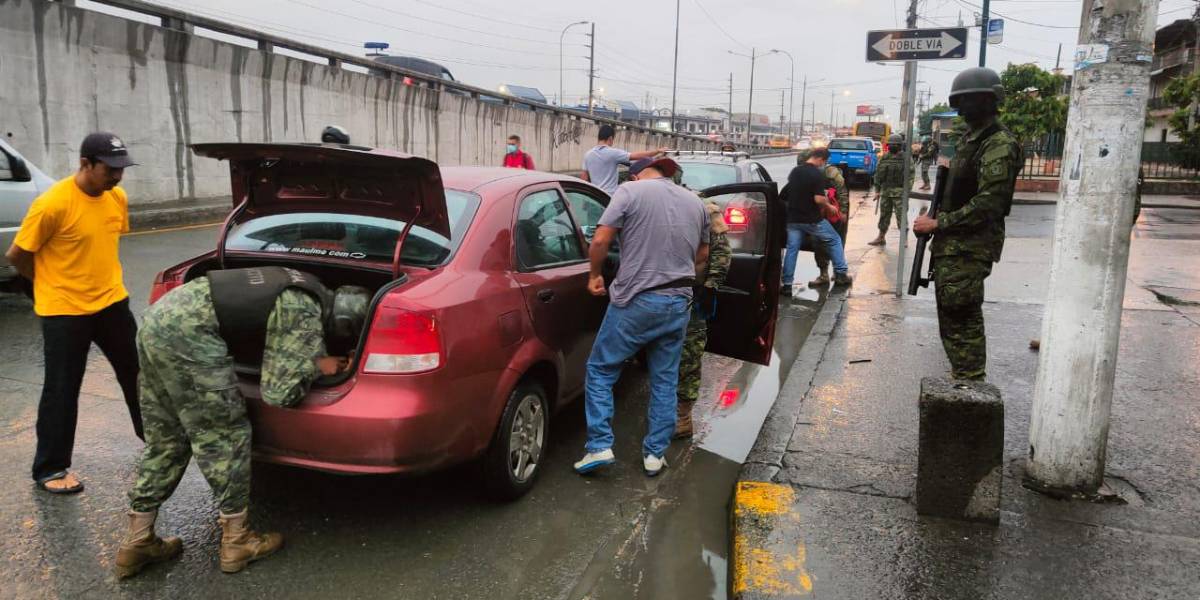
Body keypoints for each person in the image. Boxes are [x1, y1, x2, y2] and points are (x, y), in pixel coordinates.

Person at [113, 267, 368, 578]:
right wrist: (316, 366)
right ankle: (237, 542)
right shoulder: (303, 310)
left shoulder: (301, 283)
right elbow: (280, 392)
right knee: (225, 434)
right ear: (342, 325)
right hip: (190, 336)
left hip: (157, 322)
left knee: (168, 439)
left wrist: (313, 360)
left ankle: (137, 541)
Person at [5, 132, 143, 495]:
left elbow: (103, 245)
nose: (117, 176)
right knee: (62, 389)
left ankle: (158, 443)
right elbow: (17, 256)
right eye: (110, 169)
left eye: (121, 169)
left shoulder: (117, 197)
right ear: (86, 163)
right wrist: (47, 284)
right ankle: (50, 468)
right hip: (65, 311)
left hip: (112, 303)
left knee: (140, 376)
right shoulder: (53, 204)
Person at [575, 157, 709, 477]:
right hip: (678, 302)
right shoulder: (696, 202)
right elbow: (703, 256)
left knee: (601, 369)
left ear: (636, 175)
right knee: (664, 379)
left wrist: (595, 274)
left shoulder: (629, 192)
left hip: (635, 300)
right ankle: (654, 455)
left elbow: (601, 240)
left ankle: (599, 445)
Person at [913, 67, 1022, 381]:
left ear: (989, 101)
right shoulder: (971, 140)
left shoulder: (997, 143)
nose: (962, 109)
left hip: (969, 246)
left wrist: (938, 224)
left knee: (962, 317)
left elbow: (991, 203)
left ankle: (970, 382)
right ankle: (963, 376)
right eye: (959, 101)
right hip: (954, 245)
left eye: (969, 101)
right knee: (951, 316)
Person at [674, 199, 732, 439]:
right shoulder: (650, 205)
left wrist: (711, 287)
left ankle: (683, 416)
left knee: (688, 355)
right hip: (659, 292)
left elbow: (721, 252)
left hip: (693, 295)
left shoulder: (704, 209)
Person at [781, 148, 852, 294]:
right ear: (820, 159)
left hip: (793, 220)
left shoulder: (795, 172)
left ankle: (787, 285)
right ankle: (841, 273)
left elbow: (783, 195)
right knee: (834, 240)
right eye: (823, 161)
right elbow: (818, 199)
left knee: (792, 250)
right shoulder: (817, 174)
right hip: (812, 220)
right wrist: (829, 206)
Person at [581, 124, 667, 195]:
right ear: (610, 138)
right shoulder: (613, 153)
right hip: (609, 198)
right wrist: (657, 151)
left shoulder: (587, 155)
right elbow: (636, 156)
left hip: (594, 197)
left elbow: (584, 179)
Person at [809, 157, 850, 287]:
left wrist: (843, 211)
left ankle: (839, 274)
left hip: (835, 213)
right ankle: (823, 275)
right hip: (818, 214)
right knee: (818, 243)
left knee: (837, 242)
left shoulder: (832, 173)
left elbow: (843, 192)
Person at [868, 134, 911, 247]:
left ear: (899, 146)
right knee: (884, 216)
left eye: (894, 145)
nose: (891, 146)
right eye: (890, 144)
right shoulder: (885, 157)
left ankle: (904, 239)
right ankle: (881, 237)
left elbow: (910, 176)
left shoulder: (906, 158)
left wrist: (907, 191)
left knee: (901, 216)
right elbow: (878, 174)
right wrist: (877, 190)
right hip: (886, 191)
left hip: (900, 192)